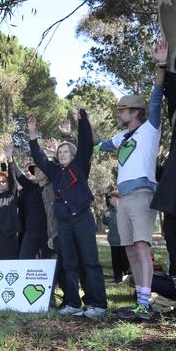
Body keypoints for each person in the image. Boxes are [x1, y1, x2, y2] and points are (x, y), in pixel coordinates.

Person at [93, 39, 167, 321]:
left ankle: (146, 304)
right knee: (128, 249)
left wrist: (161, 65)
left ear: (134, 112)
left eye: (122, 110)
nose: (119, 114)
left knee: (141, 246)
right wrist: (85, 125)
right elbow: (98, 146)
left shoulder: (150, 129)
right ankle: (140, 300)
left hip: (142, 194)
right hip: (123, 199)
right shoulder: (121, 138)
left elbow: (157, 96)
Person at [28, 110, 108, 320]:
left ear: (72, 156)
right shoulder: (55, 172)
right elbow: (38, 157)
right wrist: (32, 133)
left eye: (66, 152)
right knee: (68, 263)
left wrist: (82, 121)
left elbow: (85, 145)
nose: (62, 154)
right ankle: (73, 302)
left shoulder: (80, 166)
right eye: (60, 152)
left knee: (90, 262)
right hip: (63, 222)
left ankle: (98, 304)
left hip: (82, 218)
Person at [102, 191, 130, 283]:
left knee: (124, 260)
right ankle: (117, 277)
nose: (110, 200)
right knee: (115, 261)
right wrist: (105, 215)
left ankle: (126, 277)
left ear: (117, 199)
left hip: (123, 240)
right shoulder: (109, 211)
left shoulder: (123, 209)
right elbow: (105, 221)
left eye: (111, 198)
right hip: (113, 241)